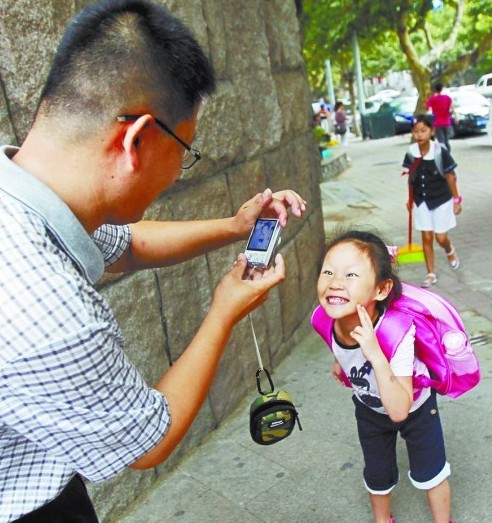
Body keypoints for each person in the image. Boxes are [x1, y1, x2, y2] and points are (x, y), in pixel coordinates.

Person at [0, 1, 307, 521]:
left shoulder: (24, 199)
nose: (179, 168)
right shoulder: (51, 312)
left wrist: (235, 228)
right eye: (185, 148)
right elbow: (150, 442)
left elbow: (126, 244)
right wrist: (222, 312)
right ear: (137, 139)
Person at [316, 228, 454, 523]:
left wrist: (375, 354)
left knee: (431, 473)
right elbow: (336, 342)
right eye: (328, 272)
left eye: (351, 275)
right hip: (369, 409)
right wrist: (340, 362)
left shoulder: (396, 332)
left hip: (414, 407)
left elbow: (399, 409)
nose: (335, 283)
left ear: (380, 289)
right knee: (377, 476)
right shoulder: (323, 317)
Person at [402, 114, 462, 288]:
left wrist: (457, 200)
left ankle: (449, 250)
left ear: (432, 131)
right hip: (422, 200)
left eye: (423, 131)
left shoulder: (439, 151)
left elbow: (450, 177)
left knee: (440, 237)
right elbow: (411, 177)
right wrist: (410, 198)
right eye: (416, 131)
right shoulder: (411, 152)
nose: (419, 135)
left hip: (442, 199)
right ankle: (430, 273)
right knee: (426, 237)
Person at [426, 83, 453, 151]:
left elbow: (428, 109)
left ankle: (444, 154)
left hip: (437, 122)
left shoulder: (432, 99)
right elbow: (451, 108)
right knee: (446, 139)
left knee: (441, 140)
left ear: (435, 90)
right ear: (442, 89)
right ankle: (448, 153)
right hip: (447, 122)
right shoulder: (447, 98)